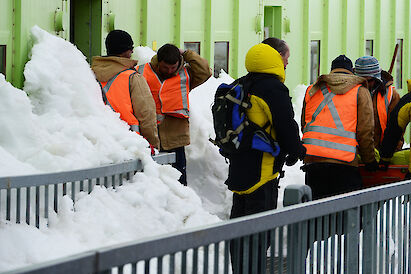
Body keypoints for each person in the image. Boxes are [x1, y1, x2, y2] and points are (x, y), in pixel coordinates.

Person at [226, 40, 306, 273]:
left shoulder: (243, 83)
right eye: (286, 58)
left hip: (240, 166)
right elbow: (285, 124)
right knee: (259, 230)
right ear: (274, 58)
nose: (288, 62)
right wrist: (296, 150)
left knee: (239, 226)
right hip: (262, 171)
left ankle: (240, 270)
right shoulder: (272, 88)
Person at [301, 55, 378, 199]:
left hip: (314, 164)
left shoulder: (312, 90)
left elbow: (305, 125)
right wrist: (369, 161)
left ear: (332, 71)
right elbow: (365, 131)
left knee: (317, 216)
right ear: (351, 72)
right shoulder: (360, 91)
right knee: (345, 217)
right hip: (345, 165)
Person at [139, 43, 211, 185]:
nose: (170, 71)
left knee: (178, 181)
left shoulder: (186, 75)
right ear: (158, 62)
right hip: (149, 136)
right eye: (166, 67)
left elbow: (205, 71)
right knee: (152, 181)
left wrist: (186, 53)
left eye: (173, 67)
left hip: (176, 137)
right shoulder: (142, 72)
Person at [91, 30, 159, 149]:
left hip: (97, 142)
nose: (132, 51)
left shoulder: (89, 73)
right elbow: (146, 114)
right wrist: (152, 144)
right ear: (124, 51)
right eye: (130, 48)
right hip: (129, 143)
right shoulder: (132, 77)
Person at [353, 56, 402, 148]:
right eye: (362, 81)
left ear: (377, 79)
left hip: (383, 149)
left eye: (370, 80)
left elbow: (397, 127)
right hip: (355, 150)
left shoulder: (392, 95)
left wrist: (392, 150)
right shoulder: (350, 92)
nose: (366, 84)